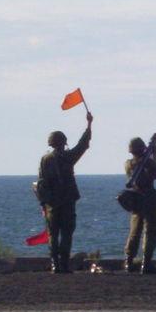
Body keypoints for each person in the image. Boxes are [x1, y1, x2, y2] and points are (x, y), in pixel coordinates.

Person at [38, 111, 93, 273]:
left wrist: (43, 203)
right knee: (67, 233)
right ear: (63, 143)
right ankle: (63, 264)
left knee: (52, 234)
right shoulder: (68, 157)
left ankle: (55, 264)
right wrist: (89, 125)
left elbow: (41, 183)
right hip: (67, 201)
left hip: (51, 204)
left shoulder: (44, 159)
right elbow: (82, 145)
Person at [123, 137, 156, 274]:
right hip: (148, 200)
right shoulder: (146, 162)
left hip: (135, 200)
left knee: (134, 231)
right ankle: (146, 263)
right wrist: (154, 155)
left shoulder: (128, 163)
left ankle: (128, 261)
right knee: (151, 230)